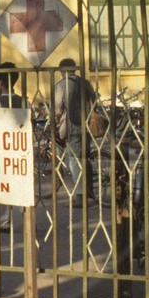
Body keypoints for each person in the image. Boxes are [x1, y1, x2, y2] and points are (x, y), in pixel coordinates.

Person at [50, 58, 98, 195]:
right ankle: (88, 190)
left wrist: (54, 120)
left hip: (71, 128)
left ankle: (80, 195)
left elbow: (57, 109)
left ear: (62, 71)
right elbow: (93, 102)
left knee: (74, 161)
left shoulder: (61, 85)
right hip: (87, 126)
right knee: (84, 158)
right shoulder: (86, 83)